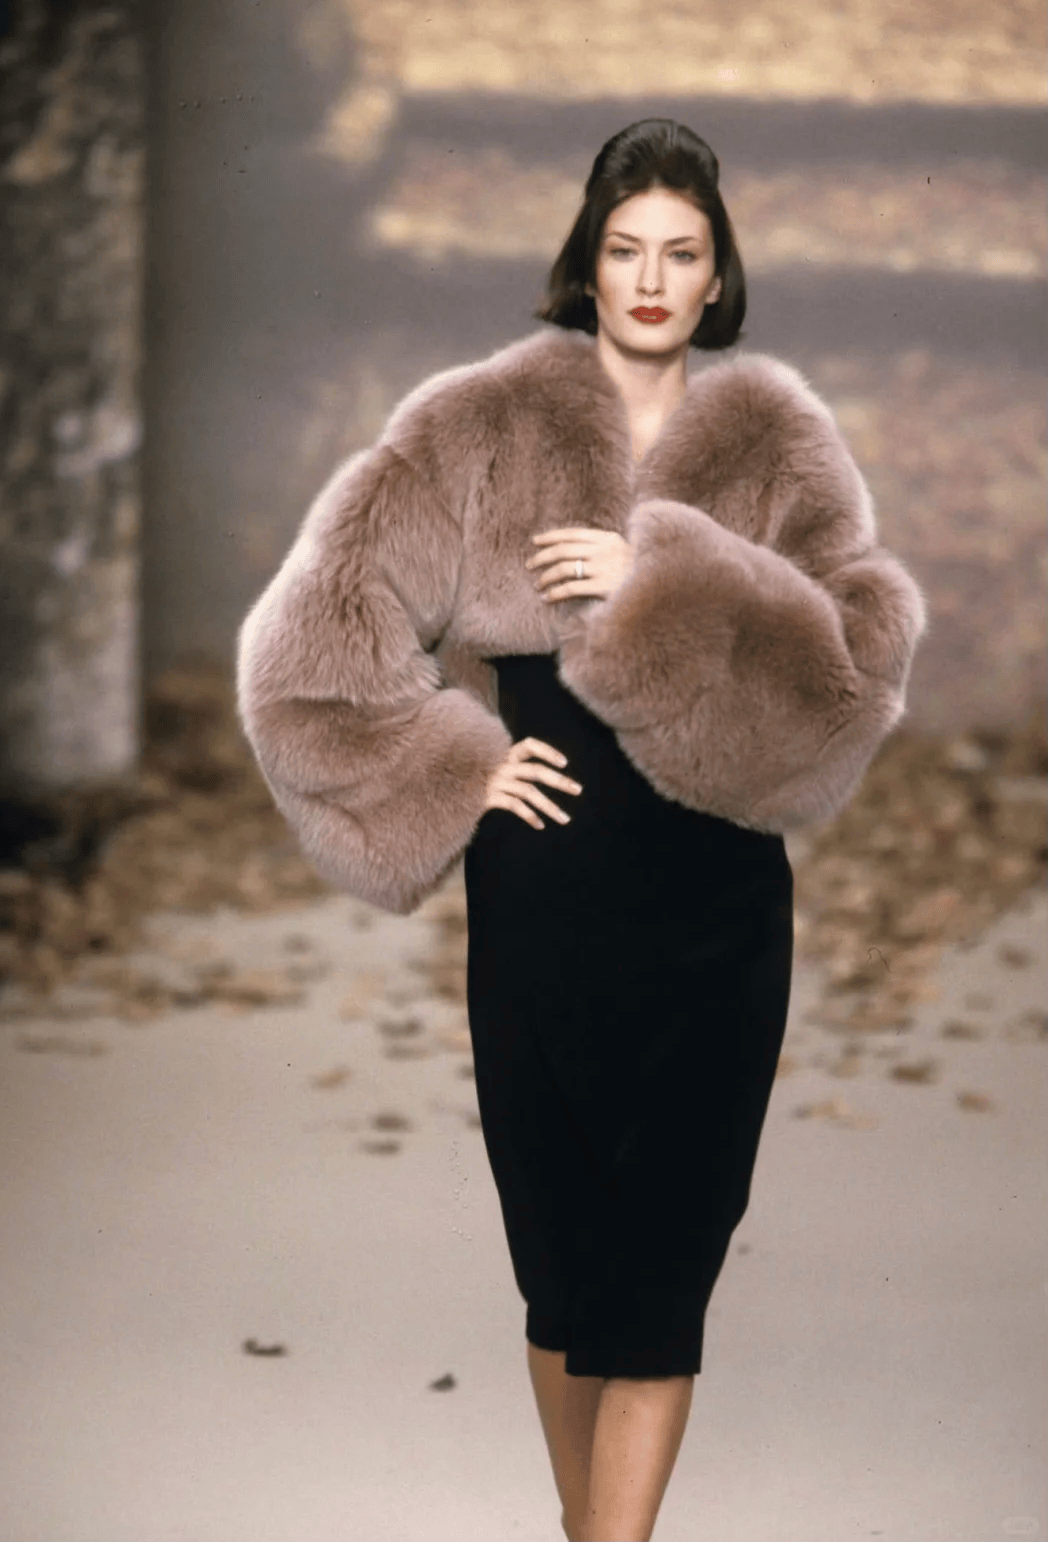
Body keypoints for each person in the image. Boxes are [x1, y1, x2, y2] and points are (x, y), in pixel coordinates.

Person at [237, 118, 927, 1541]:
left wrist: (669, 572)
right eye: (627, 251)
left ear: (719, 273)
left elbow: (855, 676)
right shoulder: (479, 427)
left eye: (682, 252)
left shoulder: (776, 445)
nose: (653, 279)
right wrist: (453, 768)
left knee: (663, 1287)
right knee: (561, 1286)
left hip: (718, 910)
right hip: (544, 910)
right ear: (589, 264)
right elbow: (311, 648)